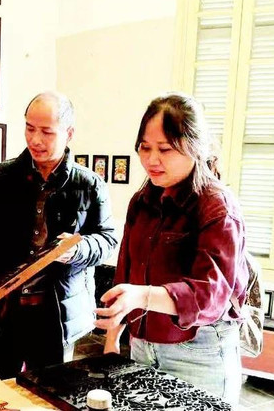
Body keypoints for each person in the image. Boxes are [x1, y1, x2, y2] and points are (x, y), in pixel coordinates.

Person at [94, 92, 249, 405]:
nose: (152, 160)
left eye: (165, 149)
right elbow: (127, 269)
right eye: (145, 148)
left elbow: (210, 296)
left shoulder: (216, 206)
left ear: (194, 147)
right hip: (142, 344)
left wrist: (143, 296)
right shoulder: (143, 200)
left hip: (199, 351)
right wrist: (113, 337)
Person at [0, 91, 118, 380]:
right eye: (29, 128)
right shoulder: (3, 177)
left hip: (55, 315)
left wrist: (78, 249)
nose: (35, 140)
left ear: (68, 133)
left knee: (50, 395)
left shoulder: (89, 184)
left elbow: (107, 239)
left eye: (46, 132)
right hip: (5, 309)